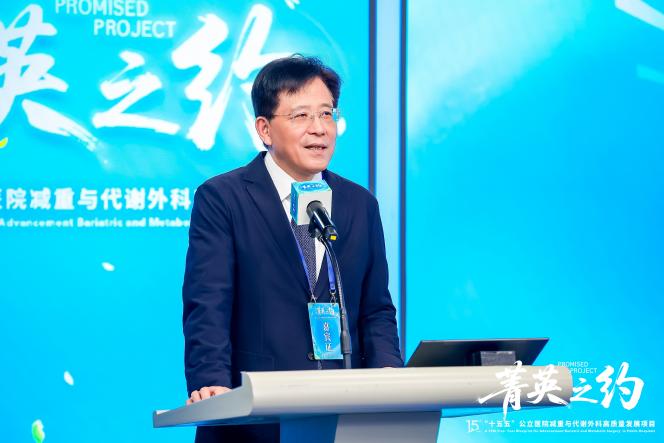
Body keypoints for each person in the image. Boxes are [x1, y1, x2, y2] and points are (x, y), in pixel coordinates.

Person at [182, 55, 403, 442]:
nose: (319, 128)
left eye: (327, 114)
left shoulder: (359, 204)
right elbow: (208, 303)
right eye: (301, 116)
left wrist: (388, 373)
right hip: (254, 417)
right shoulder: (223, 198)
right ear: (265, 129)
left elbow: (376, 309)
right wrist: (211, 382)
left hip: (344, 414)